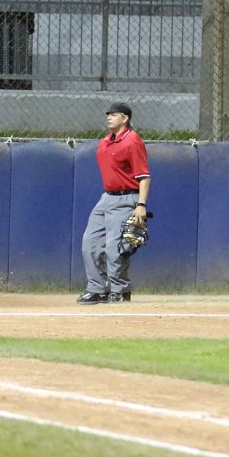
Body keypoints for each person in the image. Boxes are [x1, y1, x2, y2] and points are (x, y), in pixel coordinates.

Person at [78, 101, 150, 305]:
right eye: (107, 114)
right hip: (107, 198)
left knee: (115, 248)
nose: (108, 117)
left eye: (114, 114)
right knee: (90, 243)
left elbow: (144, 177)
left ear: (125, 119)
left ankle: (119, 290)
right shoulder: (105, 142)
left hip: (127, 198)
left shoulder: (133, 141)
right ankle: (97, 289)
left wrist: (141, 205)